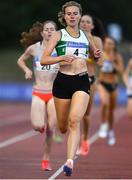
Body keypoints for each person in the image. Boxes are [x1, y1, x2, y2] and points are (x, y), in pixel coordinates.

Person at [40, 1, 102, 176]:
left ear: (80, 15)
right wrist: (60, 58)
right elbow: (44, 59)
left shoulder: (86, 36)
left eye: (76, 13)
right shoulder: (58, 35)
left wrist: (96, 55)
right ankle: (66, 138)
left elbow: (96, 57)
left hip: (82, 81)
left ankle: (69, 162)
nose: (73, 16)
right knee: (62, 127)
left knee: (75, 121)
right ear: (64, 16)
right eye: (69, 14)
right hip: (62, 82)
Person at [17, 20, 59, 171]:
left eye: (52, 30)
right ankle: (41, 127)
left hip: (54, 94)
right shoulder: (33, 49)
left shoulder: (60, 49)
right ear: (42, 33)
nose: (49, 32)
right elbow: (20, 60)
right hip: (39, 92)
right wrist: (27, 70)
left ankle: (46, 159)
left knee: (51, 129)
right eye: (47, 29)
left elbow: (70, 66)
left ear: (56, 33)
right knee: (37, 126)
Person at [79, 14, 105, 155]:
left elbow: (100, 62)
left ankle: (85, 139)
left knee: (86, 114)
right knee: (74, 114)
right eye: (82, 21)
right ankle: (75, 141)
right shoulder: (74, 38)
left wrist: (88, 57)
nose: (84, 24)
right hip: (73, 78)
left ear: (92, 26)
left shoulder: (96, 40)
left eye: (87, 22)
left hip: (89, 79)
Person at [98, 36, 124, 145]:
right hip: (102, 82)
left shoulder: (117, 56)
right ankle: (103, 125)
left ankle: (111, 131)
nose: (108, 45)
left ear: (114, 45)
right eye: (107, 43)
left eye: (110, 43)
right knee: (105, 103)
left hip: (113, 84)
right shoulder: (101, 54)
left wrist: (112, 62)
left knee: (111, 110)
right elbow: (97, 65)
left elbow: (121, 71)